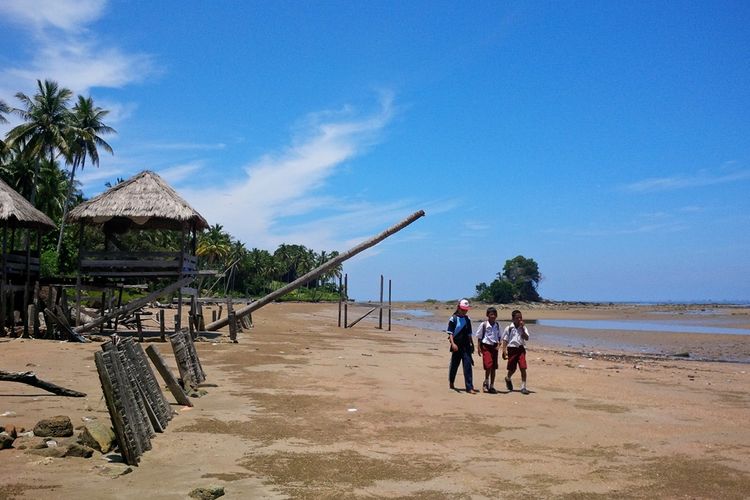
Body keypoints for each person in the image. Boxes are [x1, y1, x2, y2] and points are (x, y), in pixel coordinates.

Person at [446, 299, 477, 393]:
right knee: (454, 365)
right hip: (456, 345)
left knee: (467, 365)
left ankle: (469, 387)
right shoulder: (453, 319)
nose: (464, 311)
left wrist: (472, 344)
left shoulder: (468, 319)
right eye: (463, 309)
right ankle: (451, 381)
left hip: (466, 346)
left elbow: (469, 334)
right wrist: (453, 344)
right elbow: (450, 333)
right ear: (458, 308)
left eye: (466, 310)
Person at [501, 309, 530, 395]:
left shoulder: (523, 327)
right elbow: (505, 340)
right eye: (517, 318)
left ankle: (523, 387)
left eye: (521, 318)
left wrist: (523, 330)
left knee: (523, 367)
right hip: (512, 349)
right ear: (513, 319)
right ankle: (508, 378)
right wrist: (504, 350)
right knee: (512, 368)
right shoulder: (509, 328)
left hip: (521, 349)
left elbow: (527, 338)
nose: (520, 320)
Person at [475, 306, 501, 393]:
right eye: (491, 314)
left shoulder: (497, 325)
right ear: (487, 315)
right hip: (486, 347)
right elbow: (479, 337)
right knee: (488, 365)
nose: (493, 316)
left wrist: (499, 345)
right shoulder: (484, 325)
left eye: (494, 314)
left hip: (494, 347)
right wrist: (478, 347)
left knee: (494, 367)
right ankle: (486, 382)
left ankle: (492, 386)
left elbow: (499, 336)